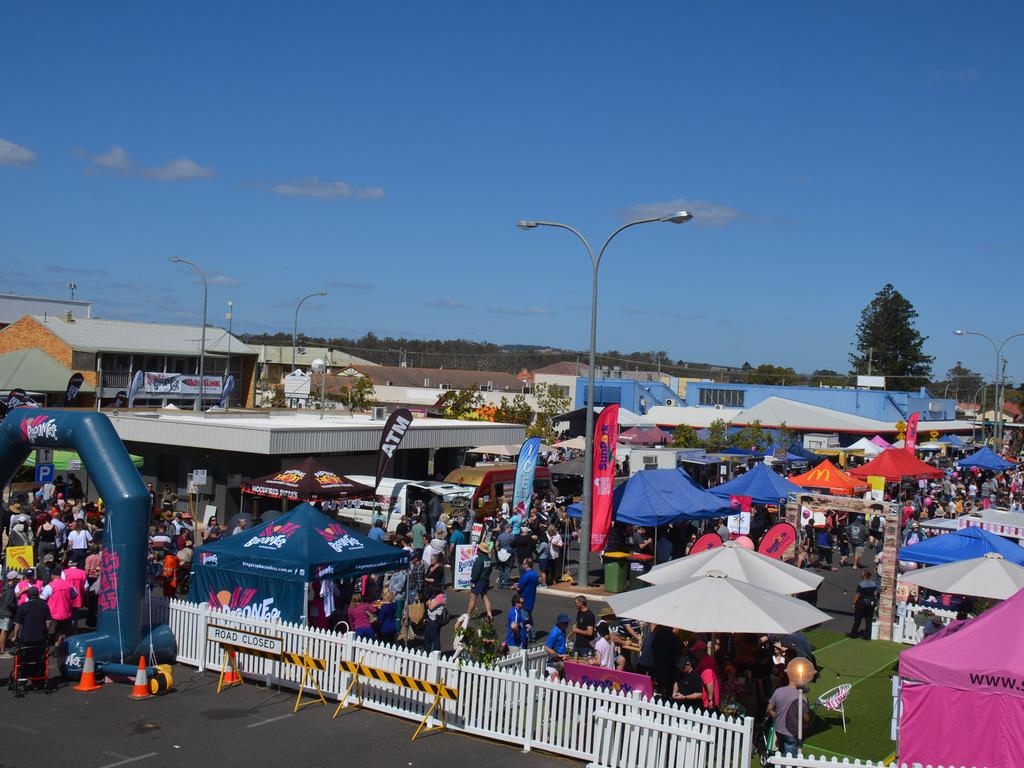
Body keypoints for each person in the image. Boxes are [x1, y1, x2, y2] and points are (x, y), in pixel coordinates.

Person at [767, 665, 811, 757]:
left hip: (779, 730)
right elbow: (806, 719)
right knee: (790, 759)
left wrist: (779, 716)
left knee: (781, 753)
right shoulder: (801, 697)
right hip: (792, 733)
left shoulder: (778, 691)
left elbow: (769, 710)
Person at [40, 564, 77, 647]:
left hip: (53, 614)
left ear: (52, 575)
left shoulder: (50, 586)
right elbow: (75, 594)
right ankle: (60, 645)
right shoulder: (69, 584)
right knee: (63, 631)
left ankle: (53, 646)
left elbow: (42, 599)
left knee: (50, 632)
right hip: (66, 613)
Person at [467, 541, 493, 619]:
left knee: (473, 598)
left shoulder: (479, 559)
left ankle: (468, 614)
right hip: (485, 580)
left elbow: (476, 572)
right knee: (485, 597)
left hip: (478, 581)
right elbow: (490, 570)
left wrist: (472, 581)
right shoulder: (488, 559)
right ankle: (489, 614)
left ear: (479, 550)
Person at [849, 569, 878, 639]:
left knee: (858, 619)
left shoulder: (861, 584)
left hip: (861, 603)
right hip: (870, 603)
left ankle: (853, 633)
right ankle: (868, 635)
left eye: (862, 574)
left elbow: (857, 595)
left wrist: (854, 603)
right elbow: (875, 593)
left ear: (864, 576)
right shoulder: (873, 583)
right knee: (868, 620)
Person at [692, 639, 720, 711]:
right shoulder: (707, 660)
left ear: (701, 651)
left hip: (707, 702)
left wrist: (710, 700)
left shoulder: (706, 664)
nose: (694, 653)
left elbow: (709, 682)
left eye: (696, 651)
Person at [544, 614, 570, 679]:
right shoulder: (555, 632)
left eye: (567, 623)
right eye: (565, 623)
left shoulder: (563, 631)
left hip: (561, 659)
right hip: (554, 661)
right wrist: (558, 655)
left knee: (562, 678)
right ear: (560, 623)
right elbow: (546, 647)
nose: (567, 624)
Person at [0, 571, 18, 655]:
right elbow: (9, 603)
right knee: (4, 631)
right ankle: (2, 650)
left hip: (3, 611)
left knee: (4, 630)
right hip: (6, 612)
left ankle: (3, 648)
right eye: (17, 578)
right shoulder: (10, 590)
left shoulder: (5, 588)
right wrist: (16, 607)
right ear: (13, 579)